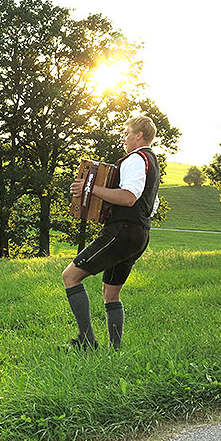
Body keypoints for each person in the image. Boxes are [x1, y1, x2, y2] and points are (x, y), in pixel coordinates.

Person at [62, 115, 160, 350]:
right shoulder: (152, 162)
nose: (124, 138)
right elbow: (152, 204)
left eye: (127, 133)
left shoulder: (136, 159)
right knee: (110, 292)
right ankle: (115, 350)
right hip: (140, 233)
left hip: (122, 231)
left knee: (70, 276)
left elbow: (128, 197)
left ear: (138, 135)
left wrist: (90, 188)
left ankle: (86, 341)